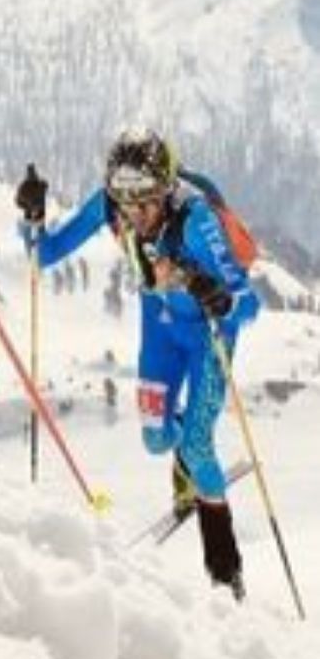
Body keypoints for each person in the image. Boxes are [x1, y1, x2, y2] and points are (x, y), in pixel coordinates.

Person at [15, 129, 260, 598]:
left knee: (199, 444)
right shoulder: (110, 205)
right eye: (126, 202)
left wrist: (217, 295)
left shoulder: (195, 221)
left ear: (167, 191)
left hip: (210, 337)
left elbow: (249, 306)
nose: (135, 215)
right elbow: (43, 254)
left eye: (146, 202)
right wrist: (31, 216)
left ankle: (224, 567)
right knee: (155, 438)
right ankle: (186, 459)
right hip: (161, 330)